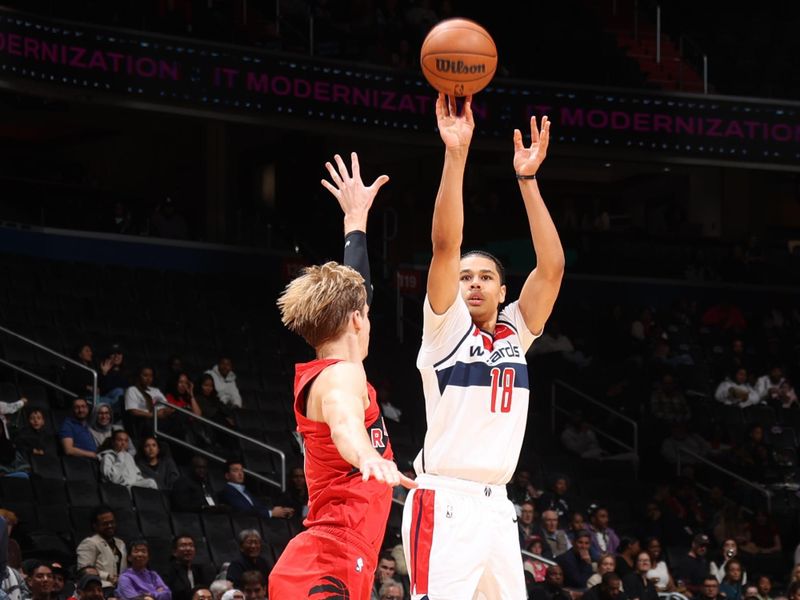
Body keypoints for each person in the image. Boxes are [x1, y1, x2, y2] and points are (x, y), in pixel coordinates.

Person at [401, 95, 562, 599]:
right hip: (444, 500)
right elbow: (446, 246)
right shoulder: (445, 329)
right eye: (466, 277)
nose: (472, 283)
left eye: (485, 276)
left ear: (501, 290)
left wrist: (528, 182)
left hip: (497, 505)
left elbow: (552, 267)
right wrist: (456, 153)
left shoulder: (517, 327)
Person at [270, 152, 412, 600]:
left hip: (334, 557)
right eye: (365, 313)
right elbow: (345, 421)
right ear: (356, 320)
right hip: (326, 560)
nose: (369, 317)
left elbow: (358, 290)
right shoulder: (340, 378)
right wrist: (365, 457)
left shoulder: (334, 366)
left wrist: (356, 220)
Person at [217, 460, 294, 519]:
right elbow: (245, 511)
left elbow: (257, 507)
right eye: (235, 471)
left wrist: (280, 511)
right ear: (227, 475)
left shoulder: (245, 490)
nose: (240, 474)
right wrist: (271, 513)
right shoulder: (228, 491)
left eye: (241, 470)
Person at [76, 506, 128, 591]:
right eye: (105, 524)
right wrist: (108, 577)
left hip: (121, 588)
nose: (110, 526)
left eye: (112, 522)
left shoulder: (120, 543)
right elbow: (83, 571)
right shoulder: (89, 543)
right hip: (100, 588)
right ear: (95, 526)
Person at [163, 535, 214, 600]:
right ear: (174, 552)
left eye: (191, 545)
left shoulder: (201, 570)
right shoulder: (168, 572)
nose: (188, 549)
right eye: (183, 546)